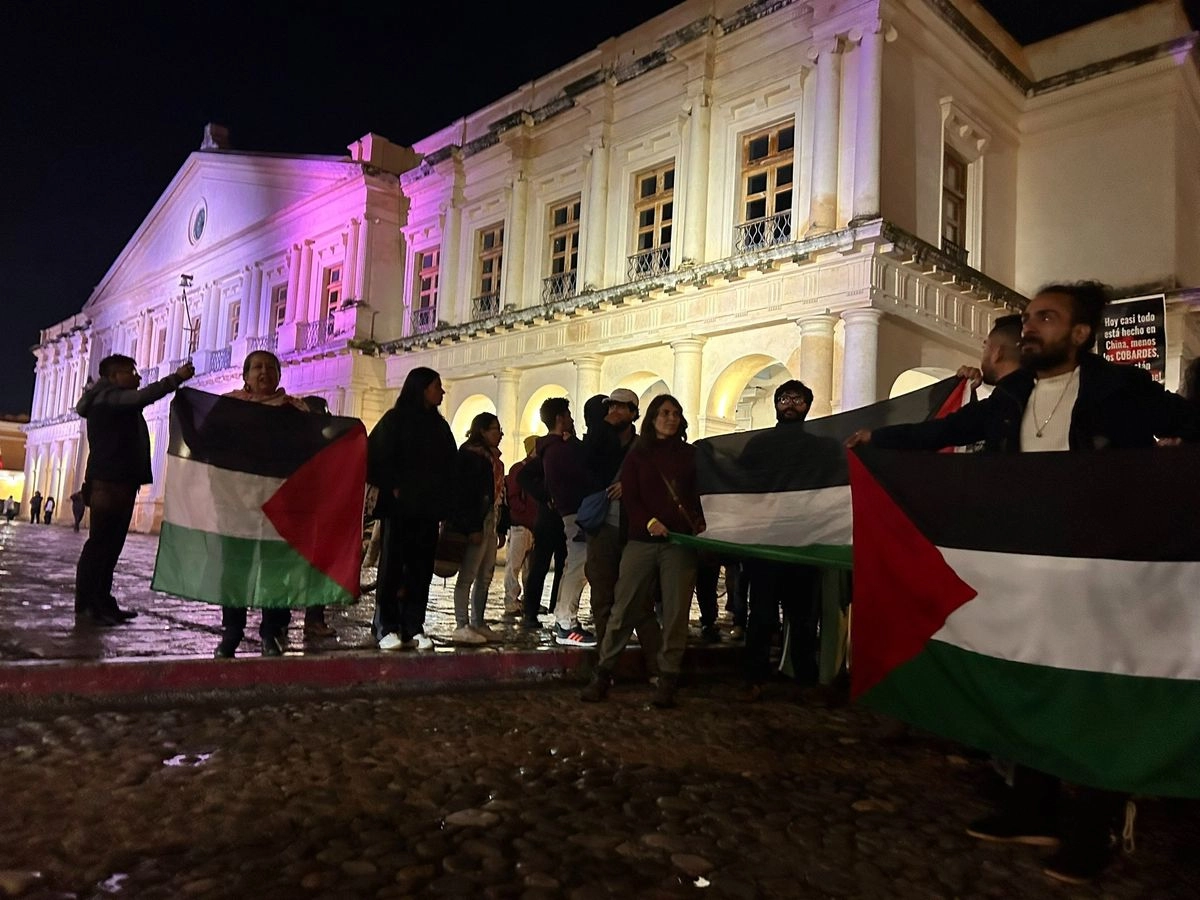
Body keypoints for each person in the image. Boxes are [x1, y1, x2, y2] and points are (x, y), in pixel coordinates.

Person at [847, 282, 1200, 884]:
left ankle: (1094, 830)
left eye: (1046, 317)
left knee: (1094, 697)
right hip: (1031, 573)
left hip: (1103, 574)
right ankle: (1033, 807)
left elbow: (1191, 428)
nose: (1029, 326)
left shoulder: (1121, 392)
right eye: (1030, 317)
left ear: (1081, 333)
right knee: (1031, 672)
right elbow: (945, 432)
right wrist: (881, 440)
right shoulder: (1012, 397)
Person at [581, 394, 706, 708]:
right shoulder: (639, 454)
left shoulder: (691, 455)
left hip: (678, 543)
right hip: (641, 540)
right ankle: (604, 672)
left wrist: (700, 521)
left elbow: (701, 493)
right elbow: (631, 497)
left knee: (676, 613)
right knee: (623, 607)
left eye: (676, 413)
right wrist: (649, 521)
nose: (670, 418)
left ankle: (668, 676)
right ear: (651, 417)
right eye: (664, 412)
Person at [75, 354, 194, 626]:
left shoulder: (109, 400)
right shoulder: (108, 399)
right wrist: (176, 378)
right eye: (131, 372)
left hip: (118, 481)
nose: (137, 377)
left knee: (110, 546)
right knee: (101, 546)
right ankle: (88, 605)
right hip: (110, 483)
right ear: (113, 377)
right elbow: (142, 397)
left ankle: (101, 602)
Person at [215, 351, 309, 658]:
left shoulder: (293, 410)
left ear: (280, 376)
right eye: (257, 367)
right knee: (235, 570)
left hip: (278, 504)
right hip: (237, 504)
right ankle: (232, 631)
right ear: (245, 375)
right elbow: (208, 442)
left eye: (271, 368)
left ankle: (272, 631)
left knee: (275, 570)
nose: (264, 372)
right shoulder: (229, 407)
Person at [741, 380, 825, 700]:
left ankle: (805, 676)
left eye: (798, 400)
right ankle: (754, 676)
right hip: (765, 541)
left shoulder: (819, 448)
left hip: (803, 542)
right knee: (760, 614)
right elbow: (741, 484)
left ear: (808, 406)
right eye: (785, 398)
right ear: (775, 404)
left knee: (804, 615)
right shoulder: (758, 445)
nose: (791, 404)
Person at [368, 367, 457, 651]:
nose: (441, 392)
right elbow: (374, 457)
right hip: (401, 508)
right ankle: (385, 624)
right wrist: (392, 485)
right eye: (436, 386)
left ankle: (413, 624)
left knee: (421, 569)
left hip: (428, 510)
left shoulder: (439, 426)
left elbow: (449, 464)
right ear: (421, 388)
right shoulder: (395, 421)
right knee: (393, 566)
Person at [582, 388, 662, 669]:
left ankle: (657, 667)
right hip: (602, 529)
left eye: (622, 407)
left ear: (634, 413)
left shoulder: (643, 447)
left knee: (640, 601)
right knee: (602, 599)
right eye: (611, 406)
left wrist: (630, 485)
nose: (615, 411)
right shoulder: (598, 442)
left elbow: (657, 484)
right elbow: (583, 468)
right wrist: (601, 428)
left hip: (634, 532)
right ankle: (606, 666)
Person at [537, 397, 600, 647]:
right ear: (560, 419)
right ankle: (566, 624)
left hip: (568, 511)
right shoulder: (561, 450)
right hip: (578, 512)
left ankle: (562, 616)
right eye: (569, 415)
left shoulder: (549, 449)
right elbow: (584, 476)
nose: (573, 420)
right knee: (579, 565)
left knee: (572, 565)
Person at [447, 413, 507, 644]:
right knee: (468, 574)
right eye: (495, 429)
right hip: (477, 520)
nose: (499, 434)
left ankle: (478, 622)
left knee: (486, 574)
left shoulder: (494, 459)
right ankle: (461, 624)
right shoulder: (471, 456)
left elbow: (498, 495)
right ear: (481, 430)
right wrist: (472, 525)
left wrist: (501, 525)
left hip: (491, 518)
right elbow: (466, 494)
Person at [299, 395, 337, 639]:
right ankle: (277, 623)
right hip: (297, 514)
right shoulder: (293, 441)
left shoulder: (330, 444)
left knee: (317, 570)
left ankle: (314, 618)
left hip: (319, 516)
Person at [502, 436, 539, 619]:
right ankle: (511, 600)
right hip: (521, 525)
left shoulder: (535, 468)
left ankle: (527, 600)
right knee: (514, 566)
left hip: (534, 525)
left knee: (529, 568)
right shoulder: (519, 469)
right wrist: (522, 511)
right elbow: (514, 495)